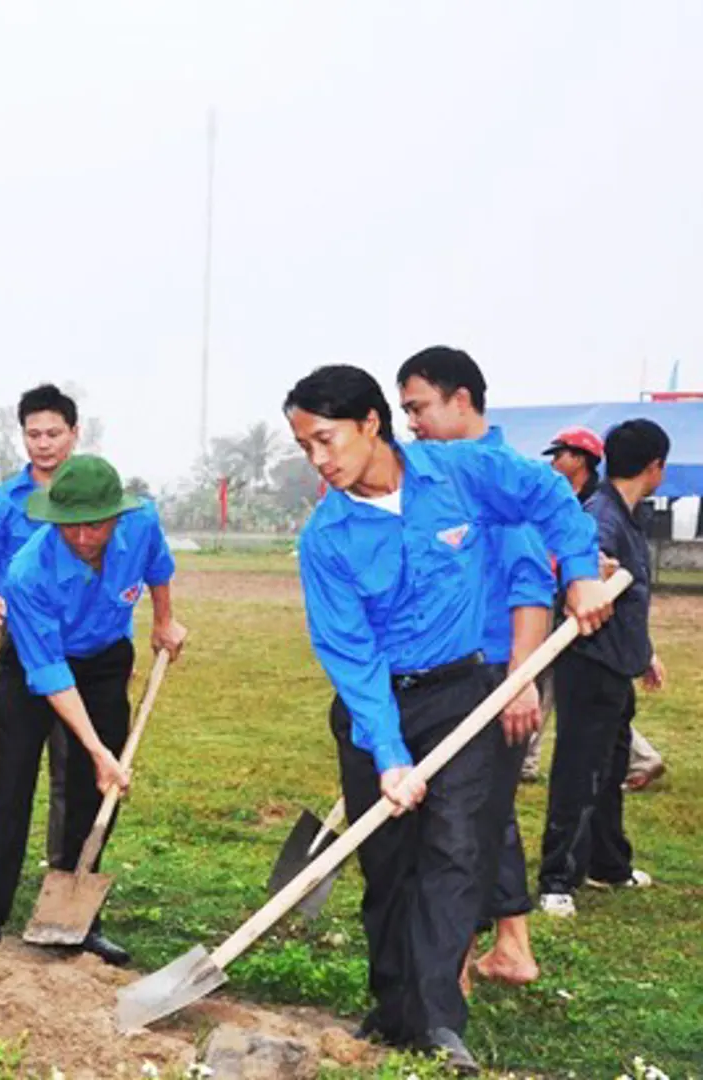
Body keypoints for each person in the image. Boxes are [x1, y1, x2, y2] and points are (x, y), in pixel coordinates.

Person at [285, 365, 608, 1071]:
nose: (319, 459)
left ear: (372, 422)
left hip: (464, 695)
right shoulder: (327, 537)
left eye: (325, 439)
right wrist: (389, 753)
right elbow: (351, 653)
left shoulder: (462, 474)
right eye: (305, 446)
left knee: (457, 851)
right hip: (377, 704)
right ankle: (393, 1005)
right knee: (389, 861)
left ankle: (435, 1020)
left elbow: (549, 494)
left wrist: (579, 570)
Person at [0, 454, 187, 967]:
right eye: (71, 525)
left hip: (106, 658)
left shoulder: (141, 523)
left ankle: (76, 915)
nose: (84, 536)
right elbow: (50, 675)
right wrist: (95, 749)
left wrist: (164, 620)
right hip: (36, 662)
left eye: (96, 524)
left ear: (117, 513)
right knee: (13, 774)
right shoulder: (28, 573)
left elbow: (158, 567)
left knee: (94, 788)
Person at [397, 347, 552, 989]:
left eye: (418, 408)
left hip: (489, 673)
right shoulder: (443, 476)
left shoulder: (496, 475)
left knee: (460, 822)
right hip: (455, 669)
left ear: (461, 401)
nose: (412, 424)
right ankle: (509, 943)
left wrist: (518, 681)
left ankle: (452, 966)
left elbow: (528, 587)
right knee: (486, 812)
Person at [537, 419, 670, 918]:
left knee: (611, 769)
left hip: (616, 663)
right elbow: (577, 573)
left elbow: (628, 598)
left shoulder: (626, 515)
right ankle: (557, 879)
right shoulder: (600, 518)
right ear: (654, 466)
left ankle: (608, 863)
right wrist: (591, 568)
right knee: (579, 771)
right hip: (588, 663)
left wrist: (646, 652)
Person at [0, 383, 81, 865]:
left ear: (74, 433)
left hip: (80, 648)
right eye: (34, 434)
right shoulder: (3, 502)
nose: (44, 444)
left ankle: (66, 871)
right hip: (21, 648)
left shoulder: (91, 497)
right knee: (12, 769)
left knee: (74, 771)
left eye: (53, 433)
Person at [526, 427, 667, 790]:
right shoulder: (579, 504)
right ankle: (527, 759)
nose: (555, 461)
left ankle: (643, 758)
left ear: (581, 458)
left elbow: (598, 566)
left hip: (591, 642)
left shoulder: (597, 511)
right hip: (578, 635)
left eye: (561, 454)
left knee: (588, 735)